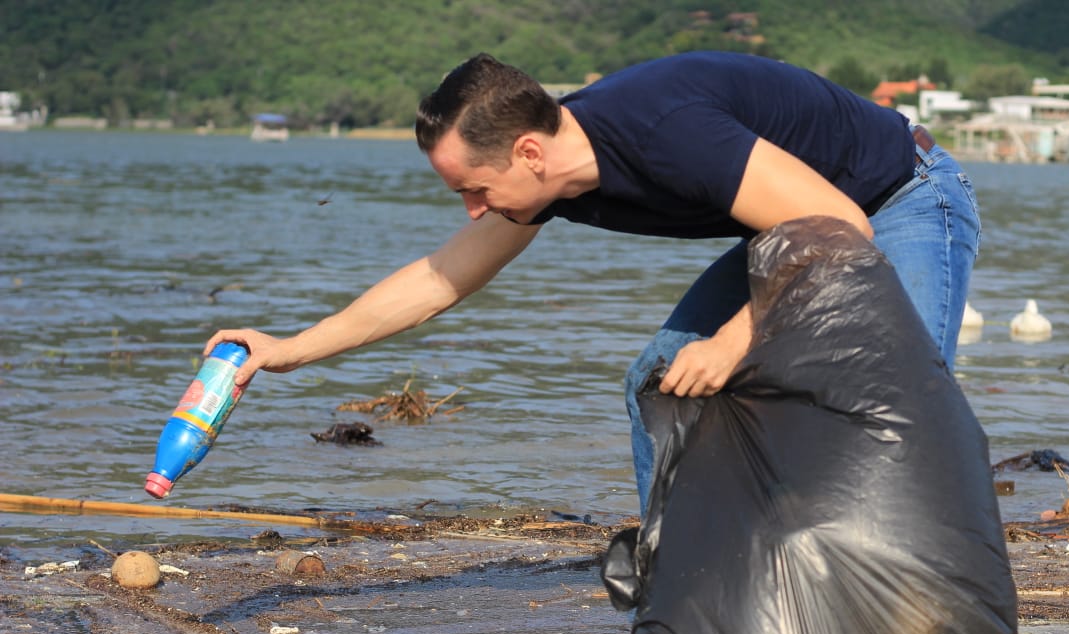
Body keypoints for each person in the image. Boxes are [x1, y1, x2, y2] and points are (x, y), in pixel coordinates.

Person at [207, 51, 980, 514]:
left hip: (898, 198)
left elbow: (841, 226)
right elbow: (439, 280)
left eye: (473, 190)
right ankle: (679, 572)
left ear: (527, 154)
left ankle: (927, 580)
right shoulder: (552, 176)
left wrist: (734, 340)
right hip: (793, 225)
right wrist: (289, 351)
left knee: (898, 394)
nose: (475, 211)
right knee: (661, 379)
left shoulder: (664, 131)